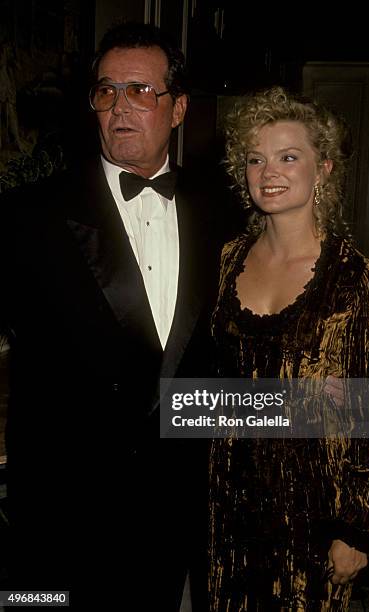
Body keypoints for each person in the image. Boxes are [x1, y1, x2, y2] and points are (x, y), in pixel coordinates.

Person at [1, 21, 220, 610]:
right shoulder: (29, 218)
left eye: (141, 91)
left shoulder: (224, 215)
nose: (120, 107)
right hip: (61, 522)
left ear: (178, 110)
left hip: (177, 515)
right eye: (107, 91)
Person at [208, 86, 369, 610]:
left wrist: (354, 529)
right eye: (255, 159)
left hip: (310, 507)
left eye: (289, 157)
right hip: (226, 501)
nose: (269, 172)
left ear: (324, 168)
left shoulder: (357, 277)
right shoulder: (226, 257)